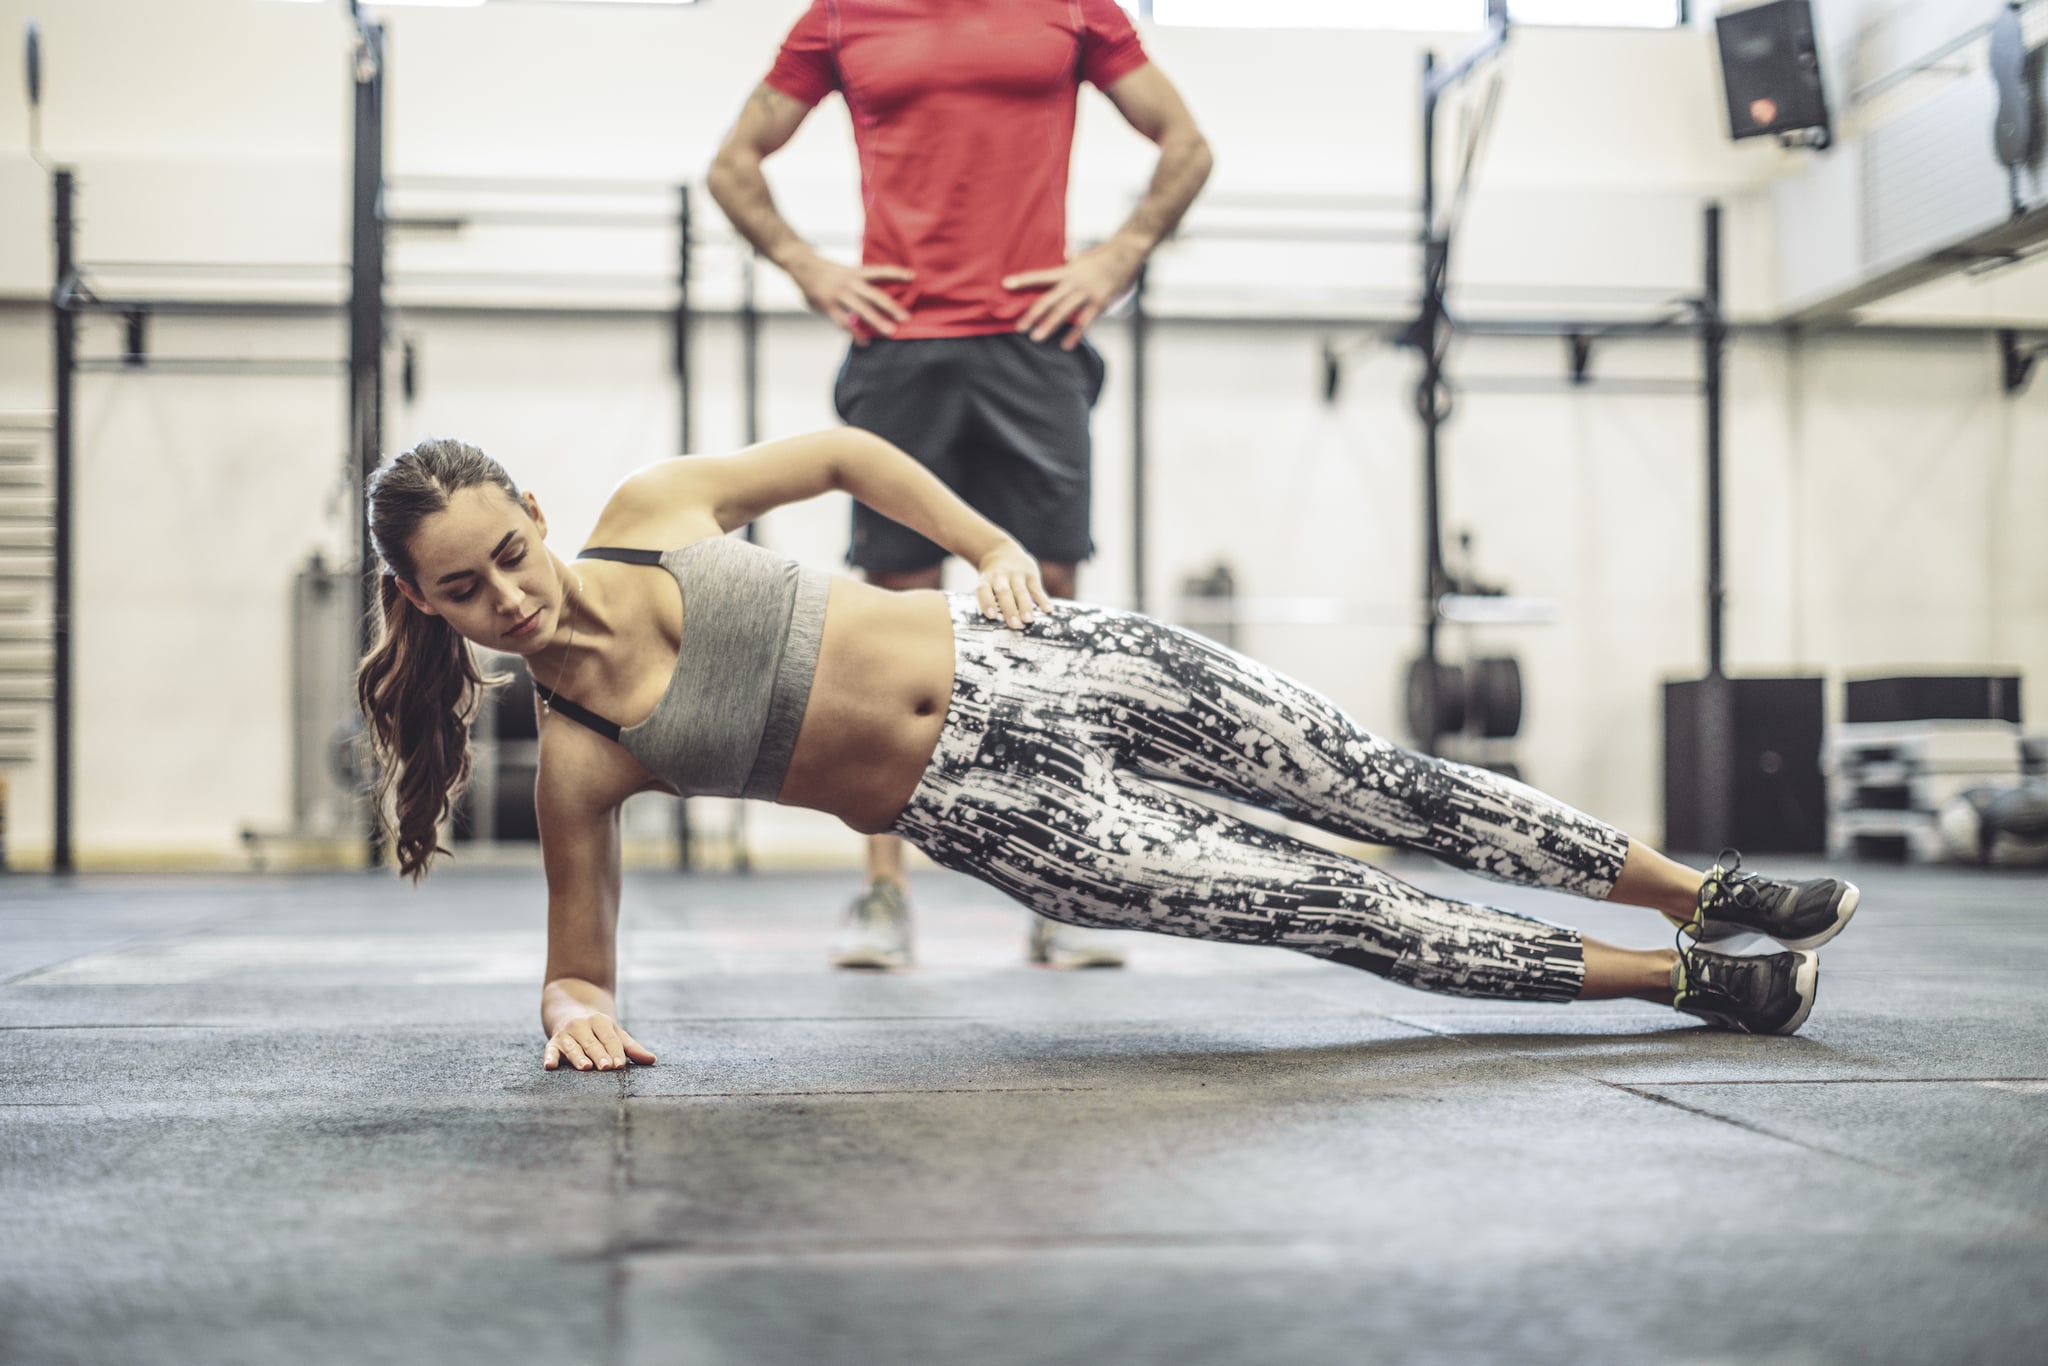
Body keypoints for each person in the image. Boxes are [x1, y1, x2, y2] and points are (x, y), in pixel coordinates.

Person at [356, 430, 1862, 1072]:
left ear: (536, 514)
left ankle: (1697, 887)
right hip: (1018, 822)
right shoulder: (580, 756)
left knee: (1393, 785)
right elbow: (583, 956)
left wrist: (991, 540)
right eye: (464, 589)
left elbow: (841, 459)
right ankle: (1691, 982)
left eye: (507, 553)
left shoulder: (657, 505)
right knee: (1349, 906)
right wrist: (570, 1006)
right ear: (423, 603)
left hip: (1051, 657)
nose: (508, 596)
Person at [706, 0, 1213, 971]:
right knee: (887, 628)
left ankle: (1063, 887)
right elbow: (733, 164)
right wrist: (809, 268)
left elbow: (1184, 144)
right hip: (901, 352)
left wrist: (1116, 256)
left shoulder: (1075, 8)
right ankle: (883, 893)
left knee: (1049, 621)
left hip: (1032, 348)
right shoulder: (842, 17)